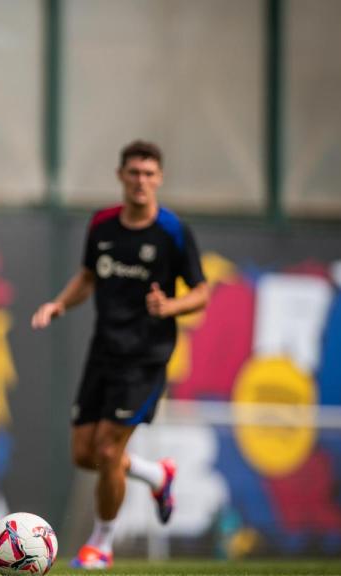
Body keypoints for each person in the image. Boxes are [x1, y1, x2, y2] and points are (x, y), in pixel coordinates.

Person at [31, 140, 209, 569]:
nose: (141, 181)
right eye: (134, 173)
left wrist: (170, 306)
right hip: (103, 352)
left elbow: (201, 292)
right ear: (120, 176)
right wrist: (58, 304)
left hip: (145, 357)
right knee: (84, 455)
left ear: (159, 178)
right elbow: (89, 278)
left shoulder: (173, 231)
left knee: (109, 452)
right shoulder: (103, 225)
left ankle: (101, 545)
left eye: (149, 174)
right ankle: (155, 474)